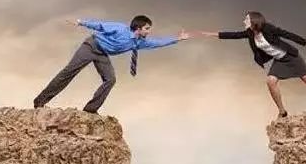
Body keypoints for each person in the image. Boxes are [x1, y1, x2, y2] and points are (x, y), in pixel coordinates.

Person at [34, 15, 191, 114]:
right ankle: (40, 101)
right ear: (138, 28)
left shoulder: (139, 42)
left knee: (110, 79)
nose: (149, 32)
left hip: (102, 54)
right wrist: (81, 23)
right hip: (91, 46)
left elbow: (157, 43)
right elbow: (100, 26)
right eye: (147, 29)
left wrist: (177, 39)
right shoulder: (120, 29)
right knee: (68, 73)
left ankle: (90, 109)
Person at [202, 11, 306, 118]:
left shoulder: (267, 28)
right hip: (279, 60)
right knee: (270, 81)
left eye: (246, 19)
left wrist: (305, 42)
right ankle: (282, 111)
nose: (244, 21)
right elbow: (233, 35)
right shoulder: (250, 33)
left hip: (291, 58)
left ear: (254, 20)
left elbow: (286, 34)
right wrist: (211, 34)